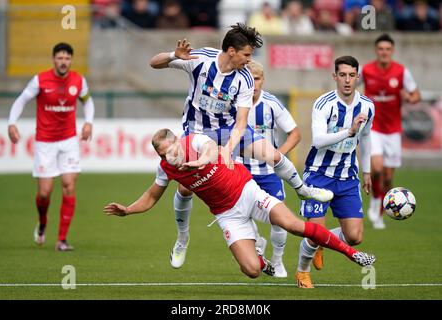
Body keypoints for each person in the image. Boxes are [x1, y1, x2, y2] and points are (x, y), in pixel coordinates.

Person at [149, 23, 333, 269]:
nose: (249, 60)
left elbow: (242, 121)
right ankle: (182, 238)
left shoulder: (245, 78)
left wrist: (228, 147)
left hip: (228, 131)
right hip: (194, 132)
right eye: (247, 54)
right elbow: (154, 62)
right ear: (232, 50)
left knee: (272, 154)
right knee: (184, 189)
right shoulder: (201, 60)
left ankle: (302, 190)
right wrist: (174, 56)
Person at [103, 129, 376, 279]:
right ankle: (259, 257)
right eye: (164, 154)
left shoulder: (194, 141)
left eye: (172, 150)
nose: (171, 157)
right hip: (226, 214)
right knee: (252, 271)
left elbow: (211, 148)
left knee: (293, 226)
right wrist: (128, 209)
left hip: (247, 192)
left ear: (178, 140)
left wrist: (199, 161)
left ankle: (352, 254)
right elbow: (151, 197)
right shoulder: (166, 168)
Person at [295, 56, 375, 288]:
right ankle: (302, 272)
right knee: (314, 231)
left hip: (347, 176)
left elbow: (367, 136)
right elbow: (319, 141)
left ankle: (323, 240)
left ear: (357, 77)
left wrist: (367, 172)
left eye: (352, 75)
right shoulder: (323, 104)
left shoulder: (367, 105)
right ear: (335, 77)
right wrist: (348, 132)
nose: (347, 80)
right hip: (319, 175)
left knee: (355, 237)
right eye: (342, 75)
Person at [8, 42, 95, 251]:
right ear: (53, 59)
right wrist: (11, 123)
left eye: (67, 58)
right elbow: (21, 101)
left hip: (68, 141)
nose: (63, 61)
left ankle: (62, 240)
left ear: (71, 60)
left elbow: (88, 101)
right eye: (60, 58)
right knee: (45, 193)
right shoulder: (40, 80)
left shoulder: (78, 81)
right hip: (45, 142)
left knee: (69, 185)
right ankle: (42, 222)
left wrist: (88, 122)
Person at [237, 60, 301, 278]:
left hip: (268, 173)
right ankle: (257, 241)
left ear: (263, 80)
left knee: (279, 218)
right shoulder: (233, 103)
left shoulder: (272, 103)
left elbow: (295, 133)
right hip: (241, 171)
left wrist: (278, 157)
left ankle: (277, 260)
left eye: (257, 78)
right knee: (239, 214)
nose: (254, 84)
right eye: (249, 78)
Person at [360, 34, 421, 230]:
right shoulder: (366, 70)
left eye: (387, 49)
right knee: (376, 168)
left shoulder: (402, 72)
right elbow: (351, 85)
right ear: (376, 51)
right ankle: (376, 201)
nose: (384, 52)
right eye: (380, 49)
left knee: (387, 177)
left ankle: (379, 214)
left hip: (393, 130)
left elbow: (416, 94)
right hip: (373, 126)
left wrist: (410, 98)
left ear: (392, 51)